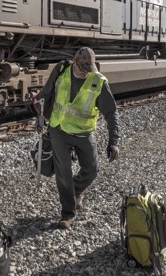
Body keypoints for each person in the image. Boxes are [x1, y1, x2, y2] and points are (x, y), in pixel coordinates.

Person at [35, 47, 119, 230]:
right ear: (75, 62)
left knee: (92, 168)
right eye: (83, 69)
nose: (85, 74)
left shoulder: (98, 81)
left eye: (89, 69)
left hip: (83, 132)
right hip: (59, 129)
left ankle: (76, 190)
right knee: (63, 172)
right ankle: (67, 214)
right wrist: (40, 115)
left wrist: (114, 141)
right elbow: (45, 94)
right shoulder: (61, 71)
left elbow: (111, 113)